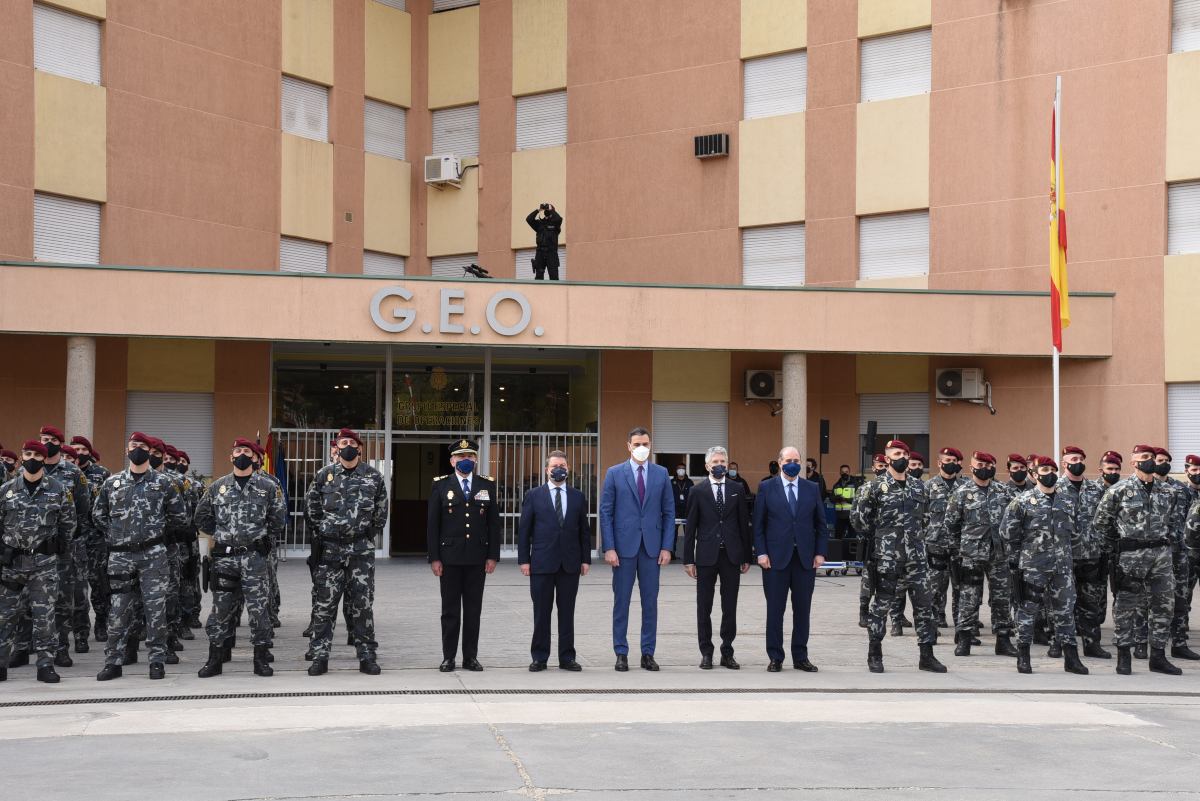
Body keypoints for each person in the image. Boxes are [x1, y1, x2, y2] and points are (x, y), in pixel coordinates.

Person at [91, 432, 189, 680]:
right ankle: (113, 661)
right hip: (121, 556)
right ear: (127, 450)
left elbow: (179, 516)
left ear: (149, 451)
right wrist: (117, 534)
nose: (137, 450)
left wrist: (156, 533)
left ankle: (157, 660)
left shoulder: (164, 483)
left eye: (142, 446)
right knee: (119, 610)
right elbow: (98, 515)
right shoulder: (112, 484)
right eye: (133, 445)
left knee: (155, 610)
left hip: (153, 555)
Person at [194, 439, 286, 678]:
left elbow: (278, 519)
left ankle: (260, 659)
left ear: (254, 458)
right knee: (220, 610)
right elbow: (202, 516)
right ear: (231, 457)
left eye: (246, 451)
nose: (242, 454)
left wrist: (260, 537)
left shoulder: (267, 486)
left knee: (259, 610)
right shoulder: (218, 487)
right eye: (238, 451)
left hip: (255, 558)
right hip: (225, 559)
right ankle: (215, 659)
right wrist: (223, 534)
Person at [852, 440, 946, 674]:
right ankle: (875, 654)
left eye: (905, 453)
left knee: (924, 606)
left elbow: (926, 518)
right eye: (897, 453)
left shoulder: (919, 487)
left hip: (916, 557)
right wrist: (882, 538)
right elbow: (859, 520)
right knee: (881, 606)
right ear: (887, 458)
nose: (902, 457)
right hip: (886, 557)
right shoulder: (873, 488)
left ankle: (927, 656)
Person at [305, 428, 389, 676]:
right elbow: (311, 507)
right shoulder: (324, 475)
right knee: (325, 606)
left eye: (352, 442)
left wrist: (365, 533)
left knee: (362, 606)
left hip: (360, 551)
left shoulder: (374, 477)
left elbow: (381, 511)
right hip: (330, 550)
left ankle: (366, 656)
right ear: (337, 448)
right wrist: (324, 530)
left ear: (360, 448)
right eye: (344, 442)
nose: (348, 446)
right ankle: (319, 657)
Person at [1093, 445, 1182, 676]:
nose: (1150, 461)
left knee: (1164, 605)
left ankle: (1158, 657)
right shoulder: (1119, 490)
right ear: (1133, 463)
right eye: (1144, 458)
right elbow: (1101, 523)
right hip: (1130, 556)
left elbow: (1174, 521)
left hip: (1161, 556)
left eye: (1152, 457)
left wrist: (1166, 542)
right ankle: (1124, 657)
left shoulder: (1168, 491)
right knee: (1126, 606)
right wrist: (1118, 546)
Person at [1000, 456, 1088, 675]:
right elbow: (1007, 533)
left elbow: (1076, 533)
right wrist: (1020, 558)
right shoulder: (1022, 501)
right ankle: (1023, 656)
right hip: (1033, 567)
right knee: (1027, 612)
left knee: (1065, 612)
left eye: (1052, 470)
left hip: (1062, 567)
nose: (1049, 473)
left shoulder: (1067, 501)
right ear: (1035, 474)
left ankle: (1071, 658)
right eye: (1044, 470)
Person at [0, 441, 76, 683]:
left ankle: (45, 665)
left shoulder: (59, 490)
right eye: (27, 453)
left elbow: (68, 525)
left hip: (43, 563)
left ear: (44, 458)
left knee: (44, 616)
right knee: (5, 615)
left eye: (36, 454)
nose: (32, 457)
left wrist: (55, 550)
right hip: (12, 563)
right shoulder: (6, 490)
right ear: (22, 457)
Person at [599, 426, 674, 672]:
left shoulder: (661, 474)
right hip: (623, 550)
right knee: (621, 603)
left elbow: (669, 512)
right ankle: (621, 653)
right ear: (628, 446)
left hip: (651, 550)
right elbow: (606, 512)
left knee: (650, 603)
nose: (642, 448)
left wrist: (666, 547)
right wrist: (608, 547)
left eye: (646, 444)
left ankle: (648, 653)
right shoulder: (614, 473)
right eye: (637, 444)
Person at [428, 438, 500, 672]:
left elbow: (493, 524)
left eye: (470, 457)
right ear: (452, 461)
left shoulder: (486, 485)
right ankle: (448, 657)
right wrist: (435, 557)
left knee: (473, 611)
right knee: (450, 611)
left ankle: (470, 657)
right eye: (461, 457)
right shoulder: (441, 485)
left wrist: (492, 556)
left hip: (477, 559)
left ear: (476, 460)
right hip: (449, 559)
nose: (465, 461)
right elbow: (433, 525)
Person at [754, 446, 828, 672]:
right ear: (779, 462)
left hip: (805, 559)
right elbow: (758, 525)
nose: (793, 463)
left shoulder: (811, 488)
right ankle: (775, 656)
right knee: (775, 610)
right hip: (775, 560)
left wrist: (820, 552)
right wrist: (761, 552)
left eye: (797, 460)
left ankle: (800, 656)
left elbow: (821, 524)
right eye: (788, 460)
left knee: (802, 610)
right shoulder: (766, 487)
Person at [517, 450, 590, 672]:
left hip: (570, 564)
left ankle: (567, 657)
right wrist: (524, 560)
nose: (559, 469)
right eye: (555, 466)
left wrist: (585, 559)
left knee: (567, 613)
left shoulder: (578, 496)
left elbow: (584, 532)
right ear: (547, 470)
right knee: (541, 613)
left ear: (568, 469)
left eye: (563, 466)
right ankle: (539, 657)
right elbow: (524, 531)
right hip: (541, 563)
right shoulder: (533, 495)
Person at [944, 451, 1017, 657]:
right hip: (971, 554)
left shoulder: (1004, 491)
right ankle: (964, 638)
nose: (985, 468)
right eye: (981, 464)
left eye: (989, 464)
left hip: (999, 554)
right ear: (972, 466)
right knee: (969, 597)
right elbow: (951, 525)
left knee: (1002, 598)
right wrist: (958, 552)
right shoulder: (961, 492)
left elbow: (1015, 520)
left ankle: (1003, 639)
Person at [683, 446, 751, 669]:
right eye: (715, 462)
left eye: (723, 461)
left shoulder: (737, 488)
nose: (720, 465)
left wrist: (746, 556)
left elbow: (743, 523)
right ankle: (706, 652)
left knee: (729, 606)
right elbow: (690, 527)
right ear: (707, 466)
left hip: (731, 556)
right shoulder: (697, 491)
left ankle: (727, 651)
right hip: (705, 556)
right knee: (704, 606)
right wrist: (688, 559)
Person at [38, 425, 90, 668]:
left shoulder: (73, 473)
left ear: (59, 443)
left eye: (50, 439)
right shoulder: (29, 470)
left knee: (62, 600)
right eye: (43, 439)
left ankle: (61, 648)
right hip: (33, 550)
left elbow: (82, 508)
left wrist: (67, 536)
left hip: (62, 549)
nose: (46, 443)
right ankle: (28, 648)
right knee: (32, 601)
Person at [1059, 445, 1111, 659]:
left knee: (1090, 605)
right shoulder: (1055, 489)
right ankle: (1059, 644)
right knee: (1063, 604)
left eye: (1081, 458)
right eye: (1073, 458)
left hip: (1091, 555)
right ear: (1064, 463)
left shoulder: (1095, 490)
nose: (1078, 461)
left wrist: (1102, 548)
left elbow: (1106, 520)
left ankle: (1092, 645)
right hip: (1065, 557)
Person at [1154, 448, 1199, 661]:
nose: (1163, 463)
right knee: (1152, 600)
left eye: (1166, 460)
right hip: (1153, 553)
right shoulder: (1140, 489)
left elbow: (1191, 519)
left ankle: (1179, 643)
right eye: (1159, 460)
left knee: (1181, 599)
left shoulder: (1181, 489)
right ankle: (1151, 645)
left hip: (1179, 552)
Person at [70, 435, 111, 644]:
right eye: (75, 448)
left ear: (89, 451)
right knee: (77, 588)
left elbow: (109, 506)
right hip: (74, 540)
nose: (78, 452)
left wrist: (106, 532)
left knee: (100, 585)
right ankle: (80, 632)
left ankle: (102, 624)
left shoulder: (102, 474)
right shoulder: (66, 474)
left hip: (96, 539)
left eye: (83, 449)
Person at [923, 447, 963, 634]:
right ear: (939, 463)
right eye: (947, 461)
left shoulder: (966, 486)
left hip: (960, 545)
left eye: (954, 461)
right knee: (935, 586)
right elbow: (921, 515)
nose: (950, 464)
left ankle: (962, 623)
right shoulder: (928, 486)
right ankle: (935, 620)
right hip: (935, 544)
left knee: (961, 586)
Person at [852, 453, 888, 628]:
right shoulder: (865, 488)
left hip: (890, 542)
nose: (882, 469)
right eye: (879, 466)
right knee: (868, 579)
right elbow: (855, 516)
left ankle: (890, 614)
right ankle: (863, 611)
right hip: (871, 540)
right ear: (874, 468)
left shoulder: (894, 488)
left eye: (885, 466)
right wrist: (866, 532)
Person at [525, 203, 563, 280]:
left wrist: (551, 209)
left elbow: (559, 219)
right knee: (539, 277)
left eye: (548, 210)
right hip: (540, 253)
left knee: (554, 277)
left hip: (551, 253)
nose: (547, 211)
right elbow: (529, 219)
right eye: (546, 210)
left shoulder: (555, 224)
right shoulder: (539, 224)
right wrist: (538, 210)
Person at [831, 465, 857, 540]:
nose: (844, 473)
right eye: (842, 472)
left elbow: (858, 499)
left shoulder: (855, 484)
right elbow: (831, 498)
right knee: (838, 537)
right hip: (840, 516)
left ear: (849, 472)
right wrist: (837, 498)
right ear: (839, 473)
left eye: (846, 472)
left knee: (851, 538)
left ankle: (849, 552)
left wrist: (846, 499)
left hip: (851, 515)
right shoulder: (836, 485)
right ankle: (838, 551)